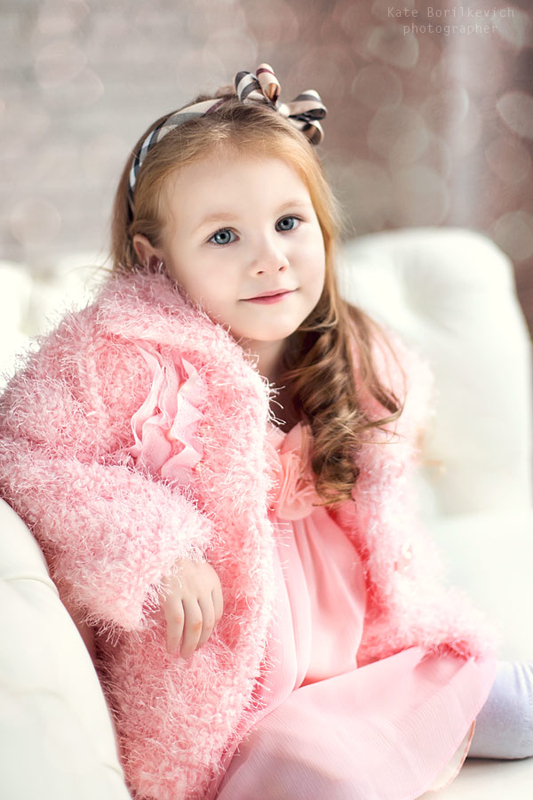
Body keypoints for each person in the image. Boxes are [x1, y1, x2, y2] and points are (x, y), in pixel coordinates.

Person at [0, 63, 530, 800]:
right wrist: (156, 546)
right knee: (315, 771)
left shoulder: (353, 353)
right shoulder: (115, 357)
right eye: (224, 235)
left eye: (288, 223)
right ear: (157, 259)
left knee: (513, 705)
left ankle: (408, 715)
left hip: (365, 657)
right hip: (239, 696)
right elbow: (25, 458)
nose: (269, 258)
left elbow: (385, 525)